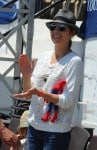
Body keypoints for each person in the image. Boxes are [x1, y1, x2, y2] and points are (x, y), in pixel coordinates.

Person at [13, 9, 83, 150]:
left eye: (62, 28)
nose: (56, 31)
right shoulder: (43, 56)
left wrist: (41, 93)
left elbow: (68, 101)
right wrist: (26, 75)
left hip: (56, 133)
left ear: (72, 33)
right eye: (53, 27)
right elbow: (29, 93)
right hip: (33, 128)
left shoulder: (74, 61)